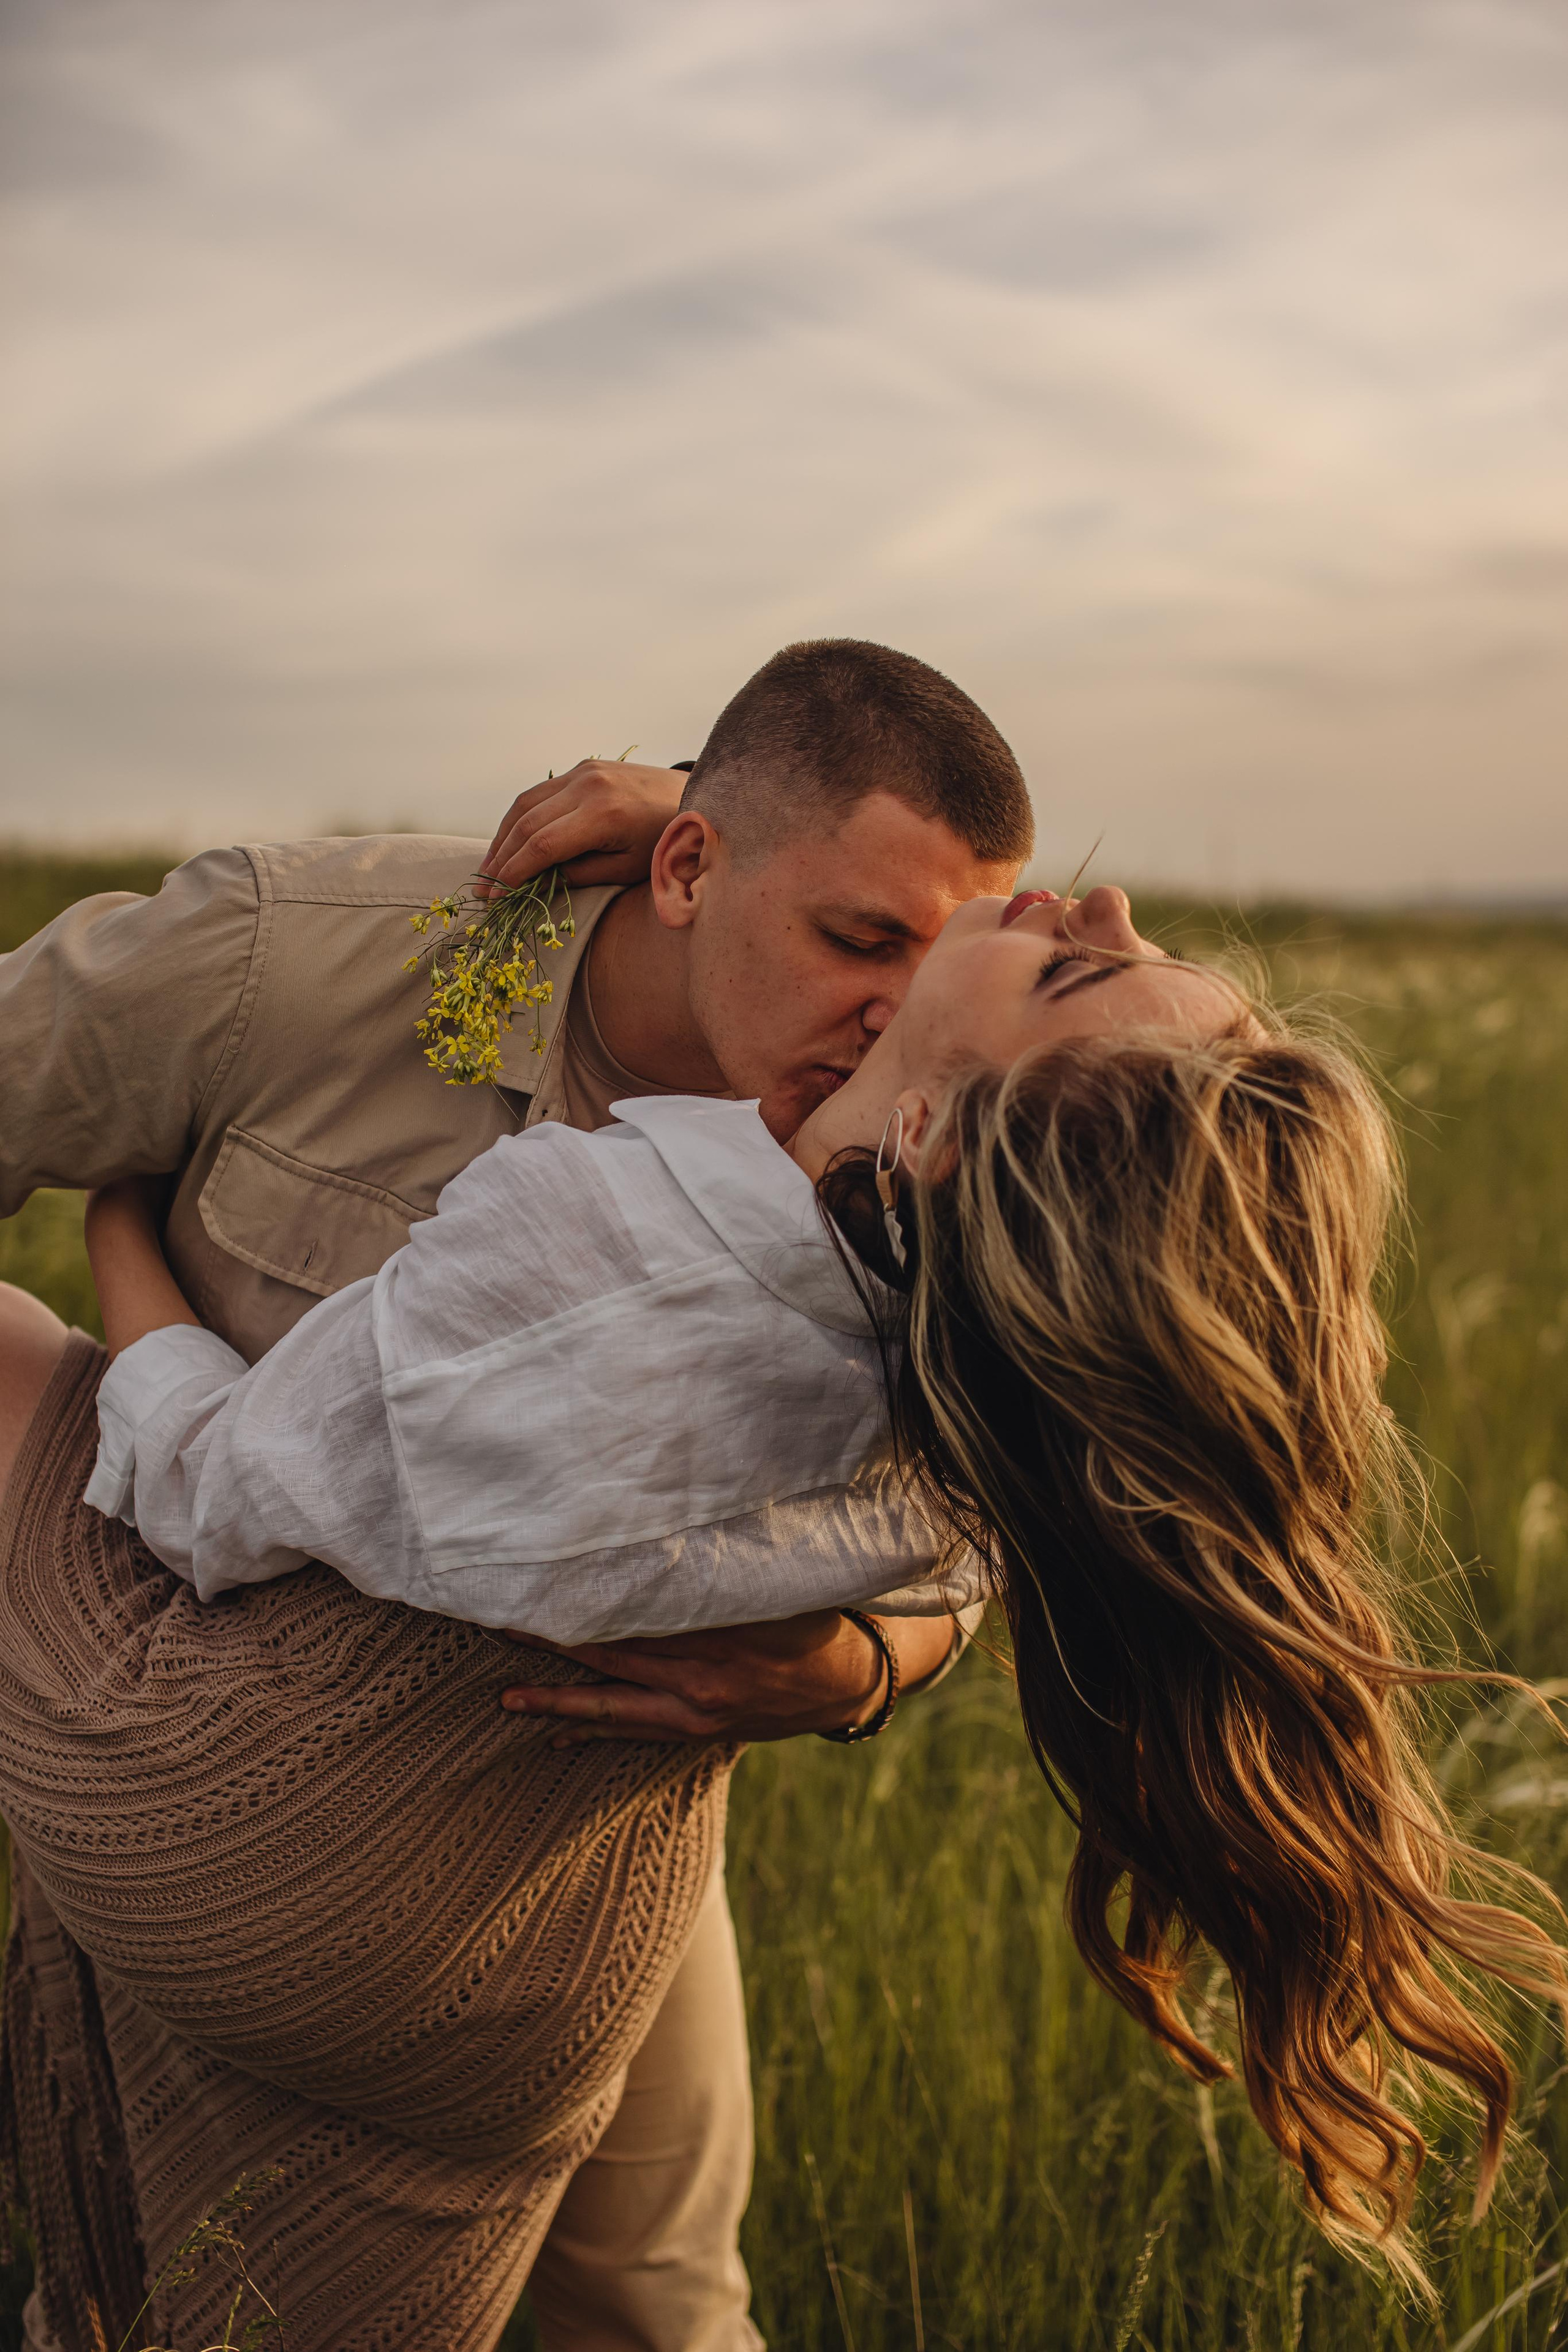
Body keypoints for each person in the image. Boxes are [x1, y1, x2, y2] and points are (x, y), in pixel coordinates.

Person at [15, 880, 1562, 2320]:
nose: (1096, 896)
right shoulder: (980, 1369)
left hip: (263, 1843)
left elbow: (202, 1485)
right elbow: (991, 1548)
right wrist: (872, 1660)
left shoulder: (614, 1251)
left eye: (1073, 968)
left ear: (929, 1130)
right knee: (664, 2310)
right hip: (563, 1947)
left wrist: (125, 1218)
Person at [0, 640, 1033, 2351]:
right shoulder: (293, 962)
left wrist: (864, 1664)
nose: (897, 1013)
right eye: (860, 941)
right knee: (139, 2276)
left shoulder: (921, 1124)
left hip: (580, 1821)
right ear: (686, 866)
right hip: (205, 1746)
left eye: (942, 960)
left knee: (660, 2308)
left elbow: (981, 1500)